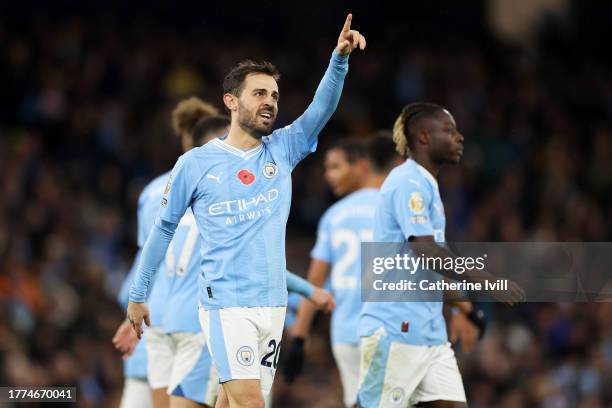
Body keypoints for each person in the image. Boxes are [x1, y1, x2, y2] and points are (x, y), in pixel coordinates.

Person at [128, 14, 365, 408]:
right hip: (226, 304)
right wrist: (138, 294)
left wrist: (338, 60)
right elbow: (162, 231)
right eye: (259, 93)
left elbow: (319, 110)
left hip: (271, 306)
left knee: (230, 401)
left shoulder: (282, 150)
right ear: (232, 101)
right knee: (251, 403)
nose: (270, 102)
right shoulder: (196, 164)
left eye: (274, 95)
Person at [357, 102, 486, 408]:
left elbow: (430, 267)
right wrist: (483, 277)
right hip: (395, 330)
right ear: (425, 137)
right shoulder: (408, 181)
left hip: (430, 336)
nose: (460, 137)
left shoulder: (427, 184)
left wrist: (464, 310)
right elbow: (425, 249)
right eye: (450, 131)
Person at [284, 134, 401, 407]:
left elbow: (315, 280)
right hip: (385, 328)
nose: (328, 176)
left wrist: (300, 338)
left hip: (345, 333)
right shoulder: (395, 209)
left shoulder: (333, 216)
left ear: (361, 166)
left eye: (335, 167)